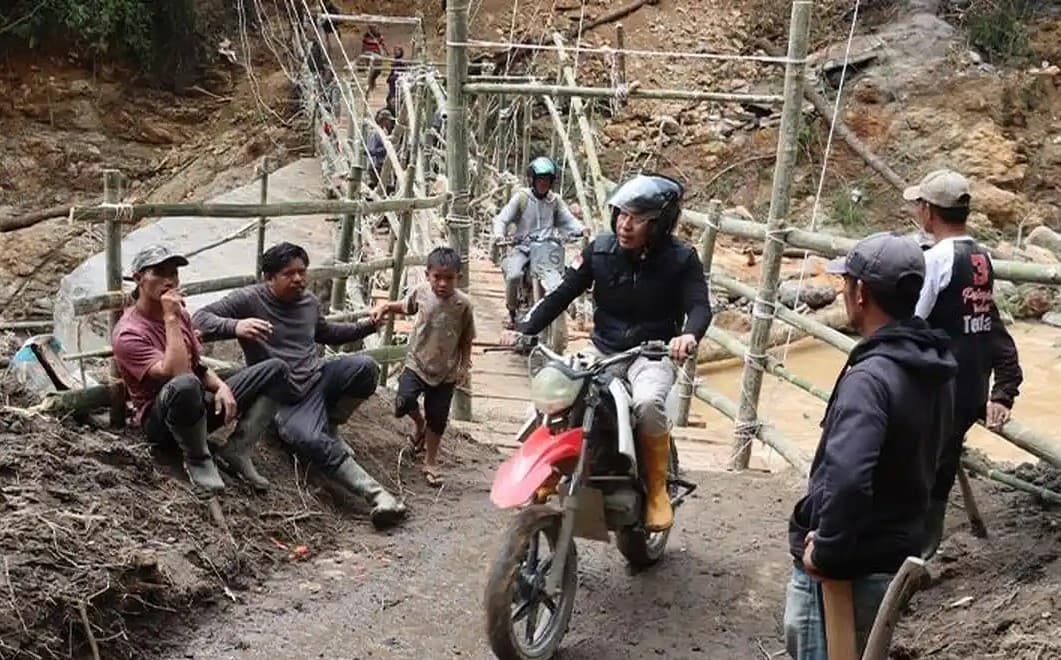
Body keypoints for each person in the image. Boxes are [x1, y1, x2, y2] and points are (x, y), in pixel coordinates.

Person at [502, 173, 711, 532]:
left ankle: (658, 489)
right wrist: (524, 329)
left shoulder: (681, 259)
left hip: (653, 353)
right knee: (555, 390)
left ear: (659, 224)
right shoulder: (600, 250)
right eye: (620, 214)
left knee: (647, 404)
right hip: (603, 348)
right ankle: (548, 469)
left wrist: (688, 335)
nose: (624, 225)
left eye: (637, 218)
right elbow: (561, 294)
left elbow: (699, 306)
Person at [784, 232, 958, 660]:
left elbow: (847, 478)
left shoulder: (870, 378)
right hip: (894, 550)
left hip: (847, 569)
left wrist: (826, 550)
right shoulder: (933, 365)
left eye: (848, 283)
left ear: (860, 292)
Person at [192, 242, 407, 529]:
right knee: (308, 438)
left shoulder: (308, 302)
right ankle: (378, 495)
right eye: (288, 273)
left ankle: (330, 423)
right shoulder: (249, 300)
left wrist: (368, 325)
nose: (298, 279)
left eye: (302, 272)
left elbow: (326, 333)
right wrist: (236, 327)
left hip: (318, 377)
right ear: (269, 277)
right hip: (286, 395)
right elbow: (200, 317)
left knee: (365, 368)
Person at [905, 169, 1023, 558]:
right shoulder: (982, 256)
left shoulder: (936, 259)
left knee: (919, 466)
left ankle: (908, 554)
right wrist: (1003, 387)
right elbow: (988, 322)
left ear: (928, 211)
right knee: (943, 462)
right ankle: (925, 549)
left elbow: (915, 321)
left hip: (939, 384)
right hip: (971, 384)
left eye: (919, 205)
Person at [112, 245, 291, 495]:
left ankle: (239, 450)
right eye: (159, 273)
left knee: (276, 369)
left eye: (173, 274)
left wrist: (221, 386)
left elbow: (198, 367)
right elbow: (177, 373)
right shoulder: (129, 332)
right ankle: (197, 459)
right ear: (138, 278)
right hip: (161, 421)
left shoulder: (181, 314)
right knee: (185, 385)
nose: (169, 280)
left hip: (197, 409)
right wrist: (170, 318)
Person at [371, 247, 475, 486]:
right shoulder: (421, 293)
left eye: (449, 278)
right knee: (403, 400)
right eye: (437, 277)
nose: (442, 283)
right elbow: (405, 307)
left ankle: (430, 461)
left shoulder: (463, 305)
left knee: (438, 417)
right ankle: (419, 424)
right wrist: (386, 306)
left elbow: (467, 338)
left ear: (458, 277)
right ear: (427, 274)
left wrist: (464, 366)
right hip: (416, 362)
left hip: (446, 369)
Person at [492, 156, 585, 329]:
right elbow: (502, 219)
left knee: (567, 275)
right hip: (523, 247)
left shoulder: (555, 201)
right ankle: (512, 312)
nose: (543, 183)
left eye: (547, 180)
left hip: (547, 250)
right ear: (533, 180)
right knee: (513, 275)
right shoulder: (522, 198)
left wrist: (581, 230)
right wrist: (499, 235)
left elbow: (568, 220)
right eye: (540, 179)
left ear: (551, 182)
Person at [367, 107, 395, 193]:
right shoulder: (375, 133)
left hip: (382, 166)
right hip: (376, 167)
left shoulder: (384, 132)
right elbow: (372, 150)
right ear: (383, 121)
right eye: (388, 121)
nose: (390, 123)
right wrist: (387, 149)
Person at [360, 24, 388, 92]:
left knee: (378, 69)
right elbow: (364, 45)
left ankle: (373, 79)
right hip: (368, 54)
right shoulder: (366, 35)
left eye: (375, 27)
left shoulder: (379, 35)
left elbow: (382, 43)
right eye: (373, 27)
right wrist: (363, 53)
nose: (374, 29)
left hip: (377, 53)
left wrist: (386, 51)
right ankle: (370, 83)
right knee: (370, 69)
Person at [385, 46, 408, 113]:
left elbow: (403, 70)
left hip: (399, 78)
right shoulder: (395, 60)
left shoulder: (401, 61)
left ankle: (393, 99)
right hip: (394, 79)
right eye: (395, 50)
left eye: (397, 50)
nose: (395, 52)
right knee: (391, 80)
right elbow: (392, 71)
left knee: (392, 80)